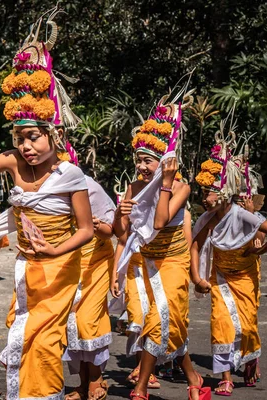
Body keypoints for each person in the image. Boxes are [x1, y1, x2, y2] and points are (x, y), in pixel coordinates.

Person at [0, 10, 95, 399]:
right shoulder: (13, 161)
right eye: (20, 138)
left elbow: (86, 230)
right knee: (23, 335)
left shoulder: (70, 175)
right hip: (26, 267)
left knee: (45, 343)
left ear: (51, 134)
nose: (27, 147)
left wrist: (53, 248)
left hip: (61, 267)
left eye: (34, 137)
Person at [111, 89, 211, 400]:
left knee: (160, 319)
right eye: (138, 159)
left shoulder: (180, 186)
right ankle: (193, 377)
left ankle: (140, 388)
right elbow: (121, 232)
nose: (141, 166)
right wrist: (120, 212)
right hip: (141, 260)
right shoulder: (133, 186)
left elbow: (158, 222)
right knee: (148, 321)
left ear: (165, 161)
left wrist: (165, 182)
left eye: (148, 161)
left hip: (172, 261)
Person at [191, 127, 267, 395]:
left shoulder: (241, 214)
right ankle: (225, 376)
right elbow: (195, 247)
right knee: (221, 322)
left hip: (245, 276)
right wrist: (197, 279)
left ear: (223, 192)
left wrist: (258, 251)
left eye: (209, 192)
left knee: (246, 326)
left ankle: (250, 358)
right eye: (202, 191)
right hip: (219, 275)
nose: (204, 197)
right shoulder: (206, 220)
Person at [64, 172, 116, 400]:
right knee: (72, 323)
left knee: (88, 320)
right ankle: (83, 384)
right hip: (67, 262)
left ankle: (96, 378)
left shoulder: (87, 185)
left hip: (97, 261)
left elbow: (110, 231)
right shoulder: (44, 186)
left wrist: (95, 225)